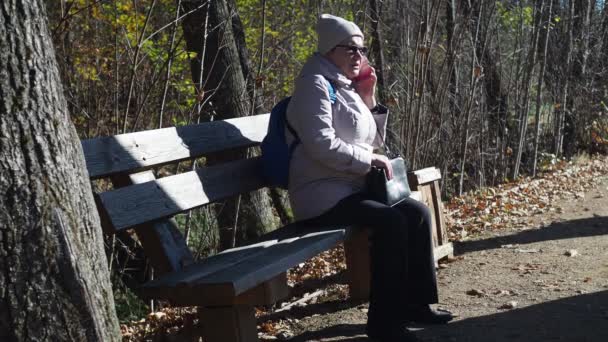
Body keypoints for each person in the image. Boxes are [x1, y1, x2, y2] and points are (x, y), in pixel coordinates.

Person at [285, 14, 453, 342]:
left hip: (350, 189)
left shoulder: (345, 85)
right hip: (320, 196)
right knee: (391, 222)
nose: (360, 58)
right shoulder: (314, 85)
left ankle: (416, 306)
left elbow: (375, 141)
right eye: (353, 50)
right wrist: (369, 159)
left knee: (416, 213)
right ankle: (385, 326)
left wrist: (368, 97)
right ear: (330, 50)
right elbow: (321, 144)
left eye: (363, 51)